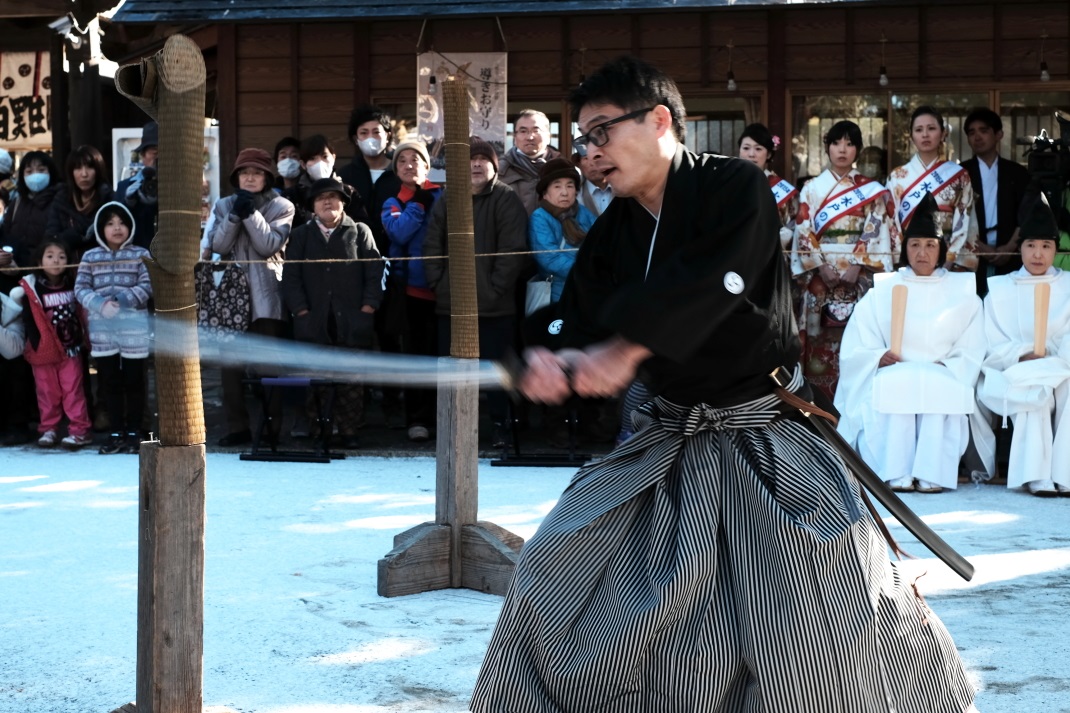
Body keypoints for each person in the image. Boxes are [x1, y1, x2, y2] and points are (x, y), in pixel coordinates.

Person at [470, 56, 975, 713]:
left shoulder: (735, 188)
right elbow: (580, 313)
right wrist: (549, 354)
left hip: (766, 434)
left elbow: (722, 281)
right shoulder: (617, 230)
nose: (590, 153)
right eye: (582, 140)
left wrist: (630, 347)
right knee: (556, 566)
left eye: (600, 133)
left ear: (658, 120)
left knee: (812, 613)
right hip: (668, 439)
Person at [835, 192, 985, 494]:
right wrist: (877, 356)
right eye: (915, 244)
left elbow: (973, 343)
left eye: (930, 245)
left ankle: (934, 474)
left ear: (941, 249)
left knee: (937, 387)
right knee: (897, 387)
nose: (922, 252)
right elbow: (858, 340)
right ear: (905, 248)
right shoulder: (884, 288)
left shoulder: (963, 291)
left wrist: (952, 363)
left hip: (943, 369)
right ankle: (896, 471)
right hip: (895, 367)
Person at [424, 136, 528, 448]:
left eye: (483, 159)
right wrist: (440, 286)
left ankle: (502, 428)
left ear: (494, 166)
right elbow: (431, 247)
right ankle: (453, 430)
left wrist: (493, 290)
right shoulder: (447, 198)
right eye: (471, 160)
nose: (477, 165)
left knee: (498, 373)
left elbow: (513, 251)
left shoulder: (506, 198)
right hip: (451, 305)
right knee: (452, 374)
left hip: (496, 307)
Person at [790, 120, 901, 399]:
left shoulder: (870, 190)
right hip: (820, 275)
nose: (842, 149)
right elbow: (804, 230)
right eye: (837, 143)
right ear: (827, 147)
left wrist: (857, 263)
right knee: (818, 339)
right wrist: (821, 266)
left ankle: (859, 396)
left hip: (858, 275)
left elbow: (876, 226)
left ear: (858, 150)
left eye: (850, 144)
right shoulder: (812, 189)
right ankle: (818, 399)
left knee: (860, 336)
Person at [978, 191, 1070, 496]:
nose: (1038, 254)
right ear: (1021, 249)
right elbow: (989, 340)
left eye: (1046, 246)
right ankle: (1036, 475)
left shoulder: (1068, 286)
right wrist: (1021, 354)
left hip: (1061, 366)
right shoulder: (1002, 288)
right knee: (1035, 392)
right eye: (1031, 245)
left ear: (1056, 249)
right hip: (1014, 369)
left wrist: (1055, 359)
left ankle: (1065, 473)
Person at [282, 178, 383, 449]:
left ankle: (349, 431)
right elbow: (290, 278)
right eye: (321, 198)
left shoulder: (360, 231)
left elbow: (375, 273)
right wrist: (301, 310)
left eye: (333, 196)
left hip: (352, 318)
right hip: (313, 318)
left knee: (351, 381)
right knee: (318, 380)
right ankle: (321, 430)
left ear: (343, 203)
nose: (328, 202)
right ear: (313, 206)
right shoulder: (302, 235)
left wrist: (367, 308)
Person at [207, 148, 295, 447]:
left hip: (266, 294)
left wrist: (250, 213)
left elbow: (268, 244)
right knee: (229, 367)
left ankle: (273, 429)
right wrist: (233, 215)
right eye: (245, 173)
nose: (250, 178)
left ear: (267, 177)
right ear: (236, 177)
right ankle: (237, 427)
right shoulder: (222, 205)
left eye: (257, 173)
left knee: (268, 365)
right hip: (230, 296)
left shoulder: (282, 206)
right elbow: (218, 244)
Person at [75, 202, 153, 455]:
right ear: (100, 228)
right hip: (102, 331)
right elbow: (80, 289)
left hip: (134, 331)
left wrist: (121, 302)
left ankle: (134, 431)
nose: (117, 227)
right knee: (109, 382)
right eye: (110, 223)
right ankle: (115, 431)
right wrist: (99, 304)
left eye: (121, 222)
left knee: (134, 381)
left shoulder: (141, 254)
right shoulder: (90, 257)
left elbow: (148, 285)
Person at [380, 139, 443, 442]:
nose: (409, 165)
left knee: (444, 358)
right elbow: (399, 232)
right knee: (415, 358)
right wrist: (417, 203)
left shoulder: (443, 195)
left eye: (415, 159)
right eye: (402, 160)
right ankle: (417, 420)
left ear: (427, 166)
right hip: (410, 293)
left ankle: (446, 418)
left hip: (445, 290)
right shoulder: (393, 202)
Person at [0, 150, 62, 446]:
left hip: (50, 286)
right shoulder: (15, 204)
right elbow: (5, 240)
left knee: (58, 352)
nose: (35, 174)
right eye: (28, 170)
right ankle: (20, 419)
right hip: (15, 284)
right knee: (19, 355)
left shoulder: (60, 200)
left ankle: (55, 419)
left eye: (41, 168)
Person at [9, 239, 92, 449]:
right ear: (39, 261)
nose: (56, 260)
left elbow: (83, 314)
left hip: (69, 349)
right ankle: (49, 429)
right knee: (47, 392)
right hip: (42, 350)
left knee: (73, 390)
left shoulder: (74, 283)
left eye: (61, 256)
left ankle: (79, 430)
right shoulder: (31, 289)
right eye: (50, 256)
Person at [886, 106, 979, 273]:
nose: (925, 134)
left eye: (931, 128)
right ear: (912, 136)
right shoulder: (897, 177)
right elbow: (892, 221)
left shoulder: (959, 175)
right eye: (919, 130)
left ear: (943, 134)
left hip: (948, 261)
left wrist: (949, 259)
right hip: (910, 260)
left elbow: (966, 220)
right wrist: (905, 259)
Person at [961, 107, 1033, 297]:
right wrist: (979, 246)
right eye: (971, 132)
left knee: (1007, 305)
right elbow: (956, 216)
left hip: (1011, 252)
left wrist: (1009, 247)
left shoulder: (1017, 172)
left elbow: (1026, 213)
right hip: (971, 253)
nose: (977, 137)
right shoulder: (960, 173)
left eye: (984, 131)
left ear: (999, 134)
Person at [528, 157, 595, 303]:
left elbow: (602, 243)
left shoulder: (584, 213)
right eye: (557, 186)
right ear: (545, 193)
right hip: (556, 294)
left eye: (570, 186)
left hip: (587, 290)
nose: (564, 192)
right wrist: (587, 271)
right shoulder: (540, 218)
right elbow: (549, 258)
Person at [338, 103, 402, 254]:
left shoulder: (400, 173)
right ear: (356, 139)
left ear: (387, 136)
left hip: (395, 254)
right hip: (354, 253)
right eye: (364, 133)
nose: (370, 138)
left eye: (376, 132)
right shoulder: (345, 175)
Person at [46, 145, 114, 259]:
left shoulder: (110, 199)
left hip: (102, 267)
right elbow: (50, 238)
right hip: (68, 269)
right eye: (77, 168)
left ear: (98, 170)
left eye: (90, 167)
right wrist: (66, 238)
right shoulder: (61, 199)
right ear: (71, 172)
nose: (84, 174)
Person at [738, 122, 797, 251]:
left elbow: (792, 228)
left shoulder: (781, 189)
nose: (751, 154)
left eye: (758, 149)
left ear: (769, 154)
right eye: (746, 148)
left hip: (772, 255)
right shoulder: (729, 184)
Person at [498, 109, 562, 214]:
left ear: (548, 136)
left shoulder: (564, 168)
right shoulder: (500, 171)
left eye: (536, 131)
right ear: (515, 137)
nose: (530, 137)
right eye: (523, 131)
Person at [115, 121, 159, 249]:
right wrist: (129, 202)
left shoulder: (179, 188)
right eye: (155, 153)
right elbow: (114, 222)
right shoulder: (125, 187)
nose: (159, 159)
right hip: (136, 259)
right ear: (143, 156)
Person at [272, 136, 311, 228]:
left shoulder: (309, 189)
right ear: (277, 161)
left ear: (302, 162)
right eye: (283, 156)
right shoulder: (270, 191)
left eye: (294, 156)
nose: (288, 160)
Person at [573, 144, 613, 217]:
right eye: (586, 158)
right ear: (579, 164)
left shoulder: (624, 189)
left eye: (596, 157)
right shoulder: (575, 193)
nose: (591, 163)